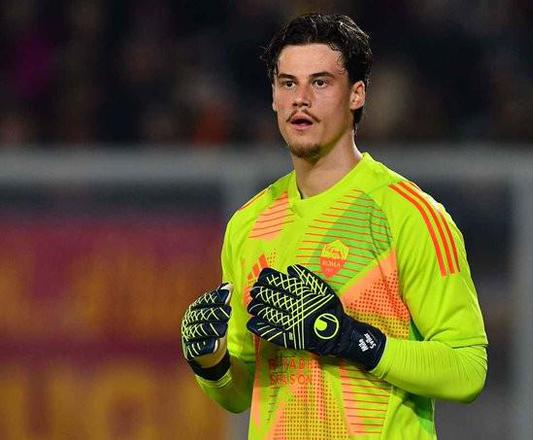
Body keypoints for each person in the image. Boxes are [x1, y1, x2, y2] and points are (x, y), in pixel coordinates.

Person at [181, 13, 488, 439]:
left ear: (356, 94)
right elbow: (242, 390)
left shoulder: (410, 214)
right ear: (273, 97)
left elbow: (467, 370)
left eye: (320, 83)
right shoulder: (247, 225)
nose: (301, 99)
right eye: (288, 83)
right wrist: (211, 364)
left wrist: (350, 338)